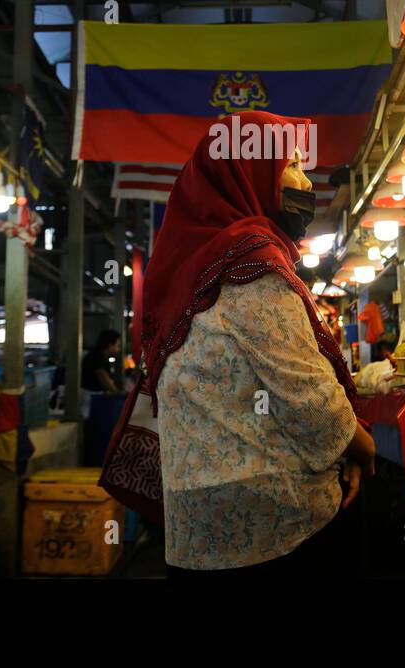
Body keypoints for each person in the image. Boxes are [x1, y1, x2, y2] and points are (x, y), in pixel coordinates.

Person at [111, 110, 375, 575]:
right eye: (291, 166)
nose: (307, 183)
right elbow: (309, 398)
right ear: (248, 171)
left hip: (194, 528)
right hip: (274, 526)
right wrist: (363, 447)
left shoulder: (188, 267)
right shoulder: (250, 261)